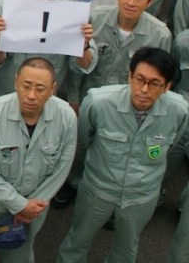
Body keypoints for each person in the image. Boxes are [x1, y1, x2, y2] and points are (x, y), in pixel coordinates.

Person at [57, 48, 188, 262]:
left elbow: (172, 146)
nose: (144, 89)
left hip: (141, 196)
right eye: (140, 79)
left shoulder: (179, 111)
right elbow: (84, 141)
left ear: (167, 87)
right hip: (98, 189)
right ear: (130, 76)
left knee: (126, 250)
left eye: (154, 83)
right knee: (77, 241)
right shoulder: (98, 103)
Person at [0, 57, 77, 263]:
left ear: (53, 89)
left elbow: (62, 168)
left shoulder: (66, 117)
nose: (31, 95)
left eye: (40, 88)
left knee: (20, 254)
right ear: (15, 82)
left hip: (35, 204)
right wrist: (19, 203)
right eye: (26, 86)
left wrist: (32, 205)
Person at [73, 0, 172, 108]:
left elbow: (159, 80)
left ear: (150, 1)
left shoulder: (160, 36)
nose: (131, 2)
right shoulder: (95, 18)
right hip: (90, 102)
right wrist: (74, 100)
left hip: (129, 108)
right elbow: (78, 69)